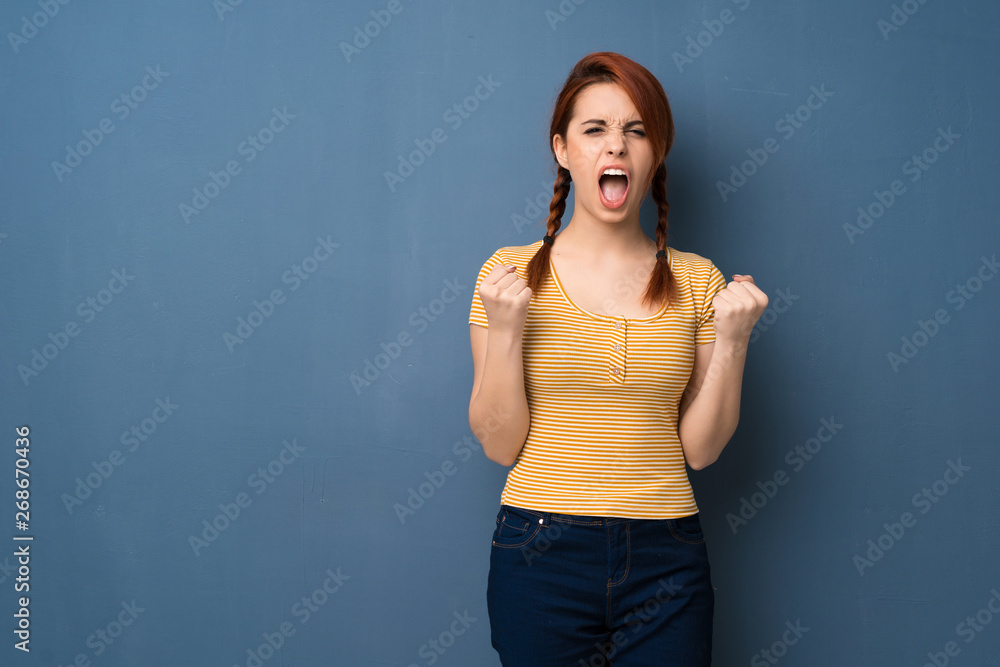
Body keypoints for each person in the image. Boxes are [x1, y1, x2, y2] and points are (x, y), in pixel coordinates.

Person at [467, 51, 768, 666]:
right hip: (539, 548)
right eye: (594, 129)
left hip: (667, 554)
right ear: (562, 149)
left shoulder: (699, 281)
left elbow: (701, 451)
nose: (616, 146)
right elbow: (499, 444)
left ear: (656, 153)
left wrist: (734, 340)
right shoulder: (508, 275)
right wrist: (505, 330)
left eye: (637, 130)